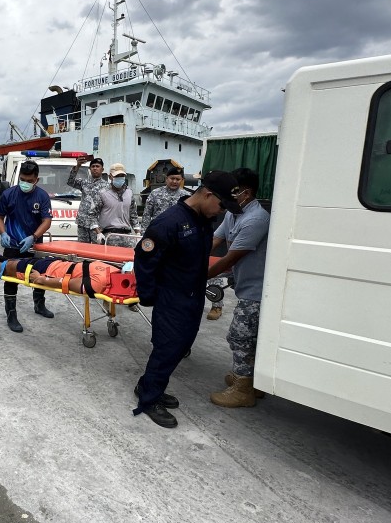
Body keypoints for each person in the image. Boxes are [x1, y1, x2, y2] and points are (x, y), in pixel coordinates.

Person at [132, 170, 241, 428]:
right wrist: (149, 297)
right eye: (222, 204)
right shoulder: (169, 222)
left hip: (192, 295)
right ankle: (149, 398)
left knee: (182, 347)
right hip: (172, 297)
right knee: (167, 348)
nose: (222, 211)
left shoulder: (202, 219)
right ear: (207, 194)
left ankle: (147, 384)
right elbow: (144, 260)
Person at [208, 167, 271, 408]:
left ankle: (244, 389)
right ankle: (251, 381)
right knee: (251, 337)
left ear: (247, 192)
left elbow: (230, 258)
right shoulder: (233, 213)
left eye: (232, 191)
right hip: (244, 285)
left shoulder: (256, 219)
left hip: (258, 290)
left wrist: (196, 275)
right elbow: (215, 241)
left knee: (240, 336)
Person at [0, 160, 53, 332]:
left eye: (29, 180)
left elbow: (47, 221)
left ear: (37, 180)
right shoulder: (9, 194)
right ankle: (11, 314)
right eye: (22, 179)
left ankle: (39, 305)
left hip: (35, 245)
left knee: (39, 275)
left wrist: (34, 237)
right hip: (12, 245)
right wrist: (3, 233)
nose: (25, 183)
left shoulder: (42, 196)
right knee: (11, 278)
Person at [0, 246, 121, 296]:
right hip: (56, 264)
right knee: (19, 262)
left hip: (46, 272)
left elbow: (70, 284)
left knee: (8, 269)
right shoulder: (116, 270)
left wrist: (44, 281)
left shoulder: (98, 283)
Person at [84, 163, 138, 248]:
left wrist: (137, 233)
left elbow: (133, 215)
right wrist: (98, 233)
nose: (119, 178)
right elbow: (92, 214)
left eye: (122, 175)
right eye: (117, 176)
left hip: (128, 236)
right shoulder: (102, 193)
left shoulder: (129, 193)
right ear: (110, 177)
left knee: (129, 260)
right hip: (109, 236)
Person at [67, 155, 107, 243]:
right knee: (82, 248)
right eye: (93, 166)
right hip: (83, 222)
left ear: (102, 169)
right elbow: (70, 181)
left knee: (97, 250)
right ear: (90, 169)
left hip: (97, 225)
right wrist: (78, 166)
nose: (95, 168)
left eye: (97, 166)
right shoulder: (84, 183)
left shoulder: (107, 186)